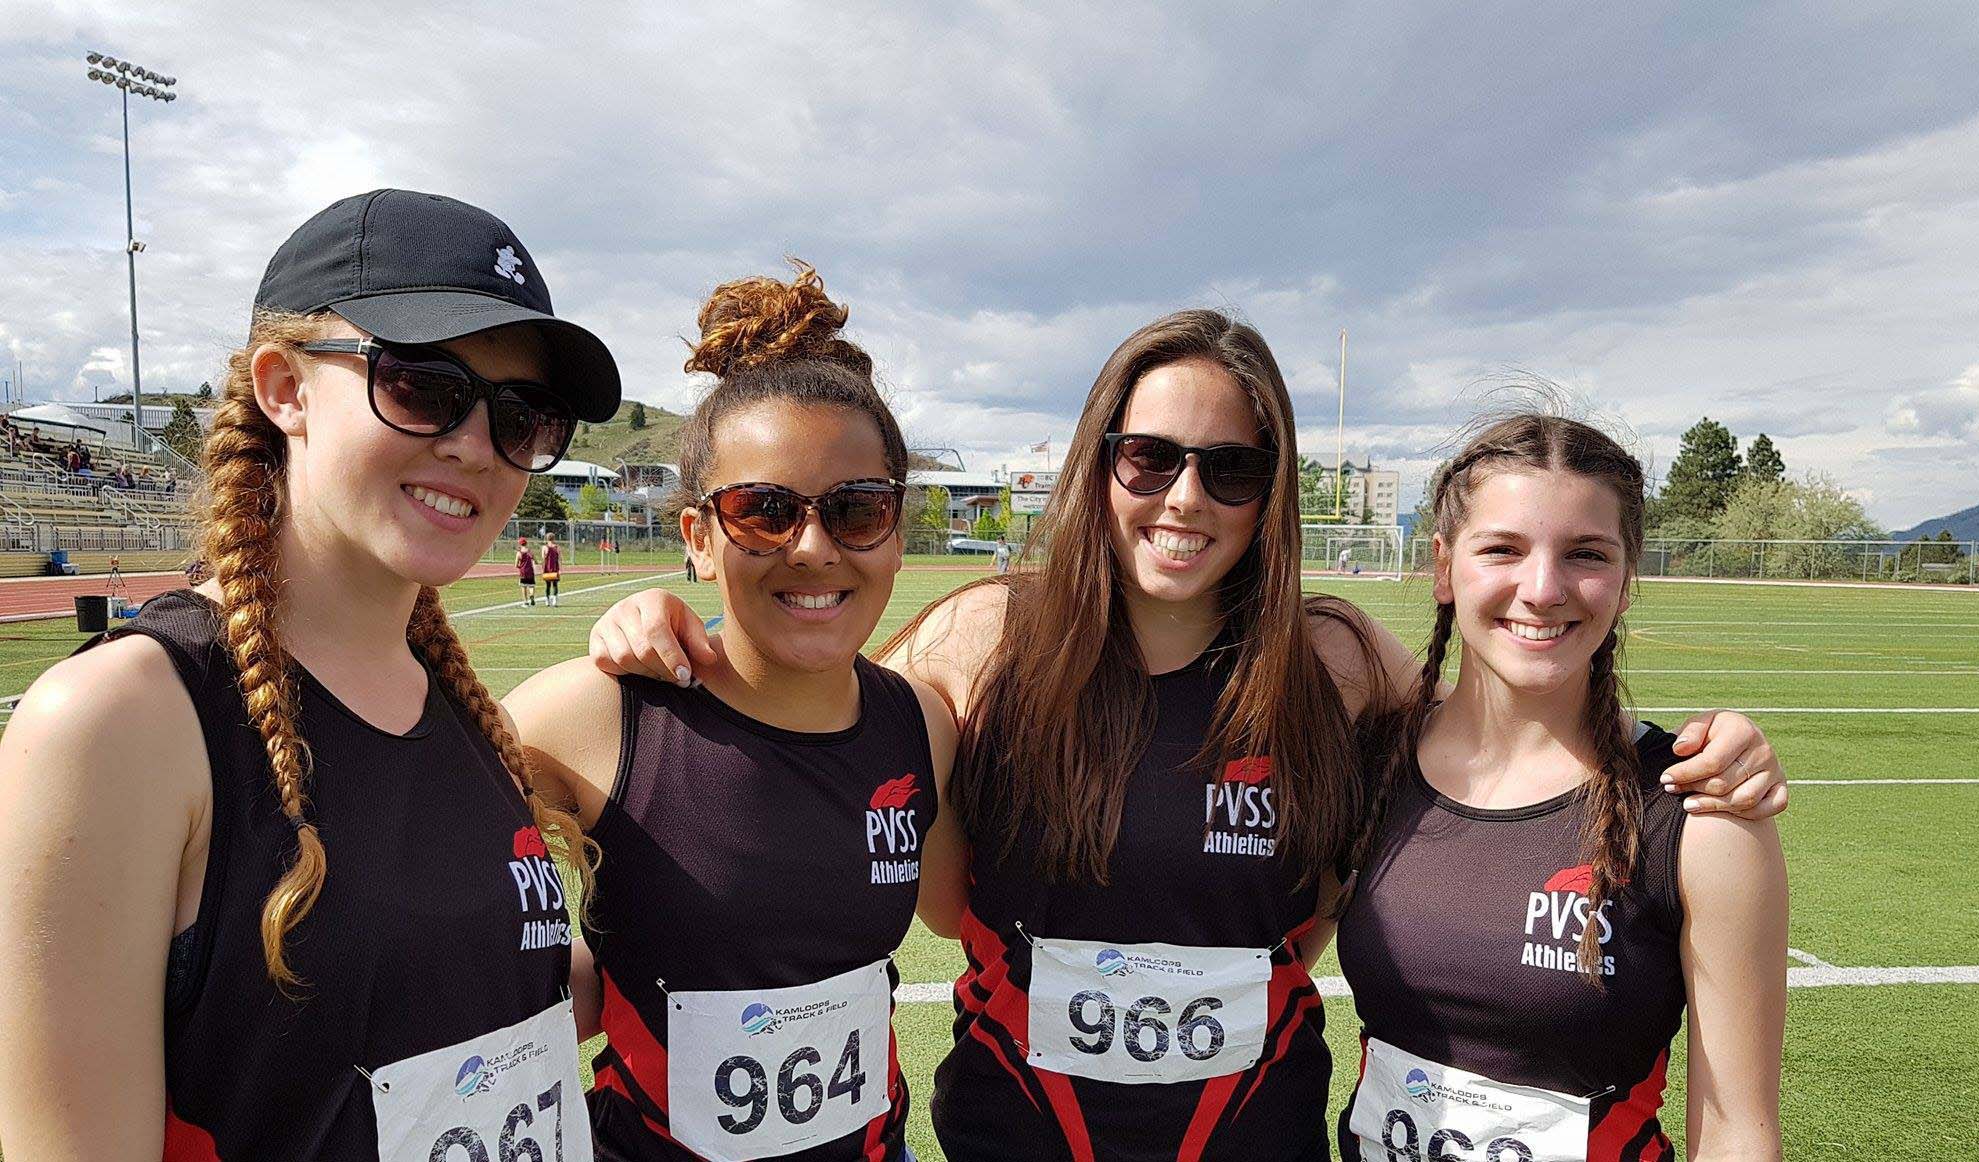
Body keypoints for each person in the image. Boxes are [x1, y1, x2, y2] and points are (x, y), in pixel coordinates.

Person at [584, 311, 1791, 1160]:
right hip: (1014, 1136)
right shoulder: (981, 639)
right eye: (1149, 458)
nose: (1183, 498)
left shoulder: (1329, 658)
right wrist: (672, 624)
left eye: (1228, 469)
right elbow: (805, 732)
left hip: (1253, 1137)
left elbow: (1501, 745)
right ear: (1096, 463)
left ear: (1270, 491)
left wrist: (1688, 747)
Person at [0, 188, 620, 1159]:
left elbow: (457, 1010)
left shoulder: (460, 707)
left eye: (522, 413)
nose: (475, 445)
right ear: (284, 386)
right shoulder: (121, 719)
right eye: (422, 385)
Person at [504, 261, 961, 1162]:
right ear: (700, 538)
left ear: (897, 530)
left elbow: (953, 914)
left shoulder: (922, 726)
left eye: (857, 509)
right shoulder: (595, 714)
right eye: (764, 512)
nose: (815, 547)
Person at [1336, 414, 1786, 1161]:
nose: (1542, 589)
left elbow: (1739, 1130)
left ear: (1626, 578)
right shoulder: (1371, 763)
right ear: (1445, 568)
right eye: (1502, 550)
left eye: (1585, 554)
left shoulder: (1702, 811)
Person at [517, 535, 539, 606]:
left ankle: (525, 601)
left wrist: (520, 567)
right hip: (530, 571)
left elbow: (516, 564)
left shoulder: (519, 553)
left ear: (520, 544)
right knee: (531, 586)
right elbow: (536, 561)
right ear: (526, 543)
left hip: (523, 572)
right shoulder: (530, 552)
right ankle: (532, 595)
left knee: (524, 586)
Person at [543, 531, 562, 606]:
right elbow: (560, 559)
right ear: (554, 538)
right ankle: (555, 600)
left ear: (547, 539)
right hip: (555, 567)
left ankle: (547, 600)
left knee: (547, 585)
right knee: (555, 584)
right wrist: (560, 569)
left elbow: (543, 558)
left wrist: (542, 568)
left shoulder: (544, 547)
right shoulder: (557, 547)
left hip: (547, 568)